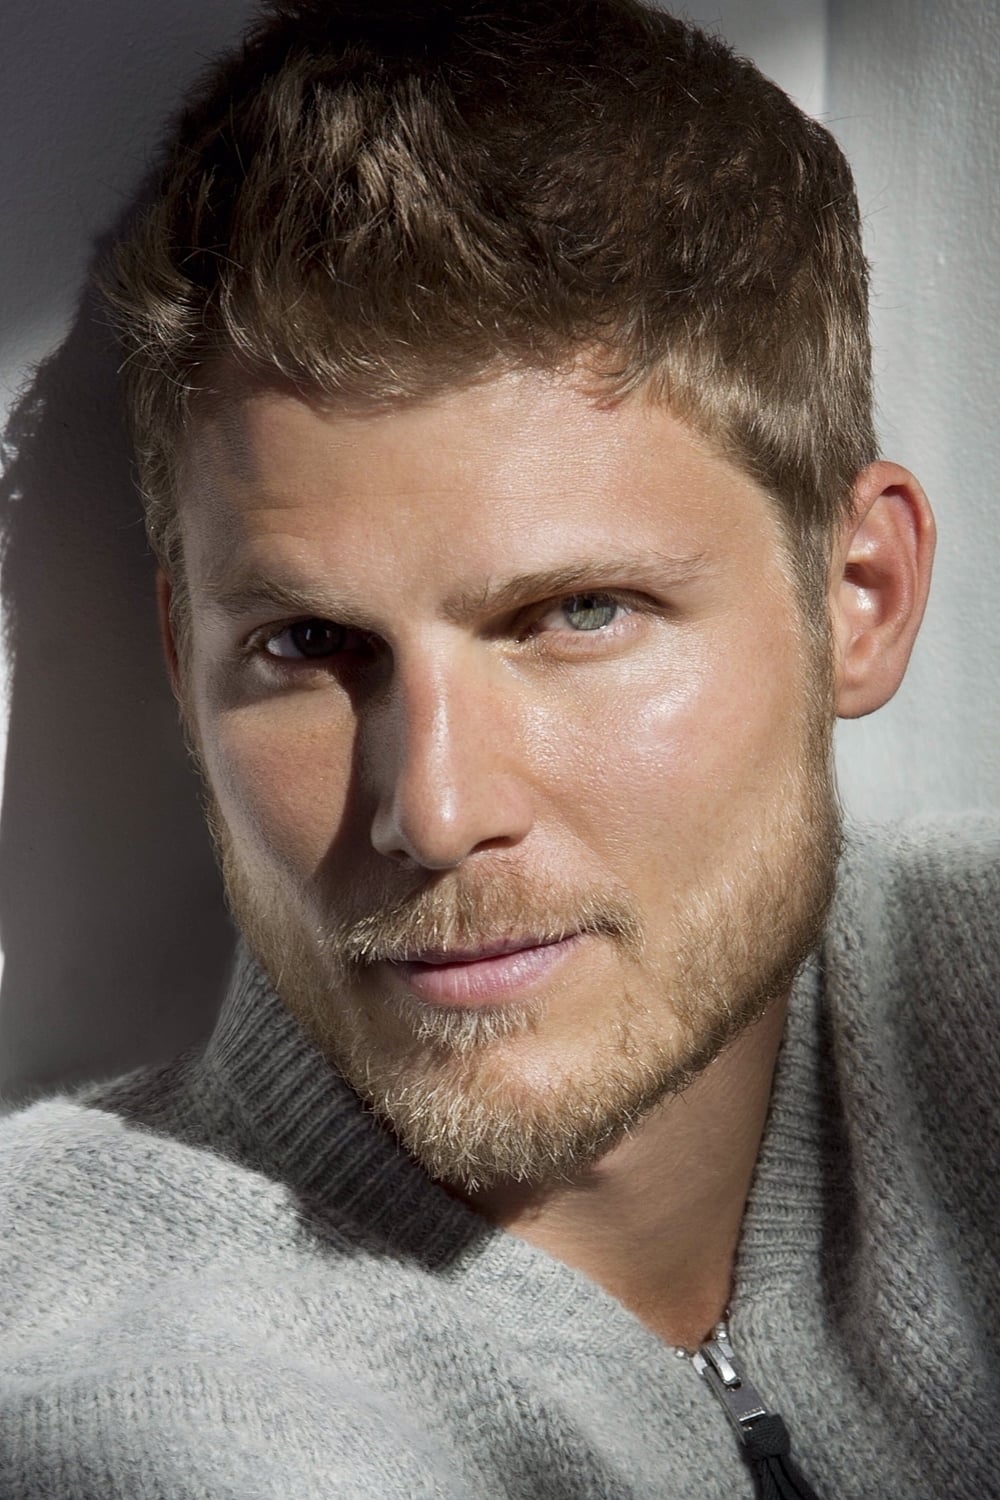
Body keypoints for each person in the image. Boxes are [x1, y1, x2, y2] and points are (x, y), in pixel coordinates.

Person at [0, 1, 996, 1495]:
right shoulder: (122, 1406)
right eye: (308, 644)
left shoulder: (966, 996)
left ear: (859, 596)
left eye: (577, 614)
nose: (436, 809)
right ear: (180, 657)